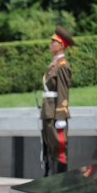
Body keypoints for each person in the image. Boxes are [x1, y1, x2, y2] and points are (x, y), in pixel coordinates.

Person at [41, 25, 75, 176]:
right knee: (49, 147)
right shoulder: (54, 64)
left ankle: (62, 181)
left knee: (59, 148)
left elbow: (63, 92)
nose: (50, 45)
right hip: (48, 112)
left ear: (61, 46)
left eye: (53, 42)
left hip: (56, 113)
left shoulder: (62, 66)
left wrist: (61, 115)